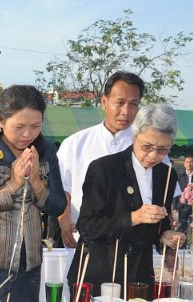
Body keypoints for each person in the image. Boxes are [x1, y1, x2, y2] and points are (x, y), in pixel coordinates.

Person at [0, 85, 67, 301]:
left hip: (29, 265)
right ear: (1, 120)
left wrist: (36, 182)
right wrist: (12, 184)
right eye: (19, 126)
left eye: (35, 126)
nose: (27, 134)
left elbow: (57, 205)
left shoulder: (46, 152)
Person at [67, 104, 186, 296]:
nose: (153, 155)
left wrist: (166, 237)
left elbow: (159, 225)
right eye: (147, 146)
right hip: (99, 275)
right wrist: (133, 218)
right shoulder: (104, 169)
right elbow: (87, 226)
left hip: (139, 279)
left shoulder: (167, 175)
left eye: (163, 149)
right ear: (134, 135)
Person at [57, 71, 145, 248]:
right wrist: (64, 218)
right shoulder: (75, 143)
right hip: (83, 238)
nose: (126, 111)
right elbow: (62, 190)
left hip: (133, 244)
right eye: (119, 103)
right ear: (104, 102)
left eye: (133, 104)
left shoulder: (147, 146)